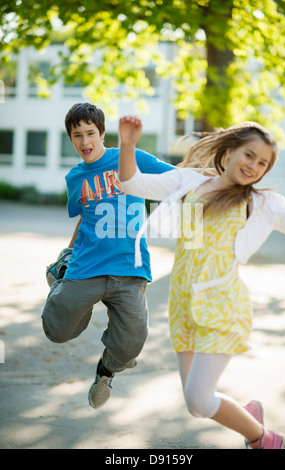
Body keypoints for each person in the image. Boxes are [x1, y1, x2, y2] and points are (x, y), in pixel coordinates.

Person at [118, 115, 285, 449]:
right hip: (184, 303)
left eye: (263, 163)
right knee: (196, 405)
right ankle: (251, 417)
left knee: (200, 399)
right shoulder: (188, 182)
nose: (254, 166)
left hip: (222, 305)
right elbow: (132, 183)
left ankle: (266, 440)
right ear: (229, 151)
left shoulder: (260, 202)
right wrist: (127, 145)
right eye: (249, 155)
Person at [42, 103, 174, 409]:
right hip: (87, 266)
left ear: (102, 133)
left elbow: (175, 178)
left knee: (132, 343)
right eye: (77, 135)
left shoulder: (130, 159)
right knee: (57, 331)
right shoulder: (76, 177)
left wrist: (212, 178)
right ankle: (61, 277)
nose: (85, 141)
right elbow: (86, 217)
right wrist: (68, 251)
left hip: (130, 268)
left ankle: (106, 372)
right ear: (71, 139)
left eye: (90, 133)